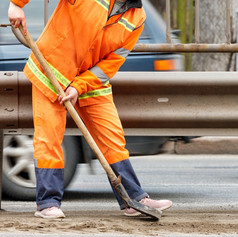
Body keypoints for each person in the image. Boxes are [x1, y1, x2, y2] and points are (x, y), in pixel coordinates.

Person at [8, 0, 173, 219]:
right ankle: (47, 203)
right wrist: (16, 4)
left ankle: (132, 199)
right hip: (53, 72)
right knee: (49, 137)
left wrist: (79, 86)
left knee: (112, 139)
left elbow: (112, 61)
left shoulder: (137, 18)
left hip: (91, 82)